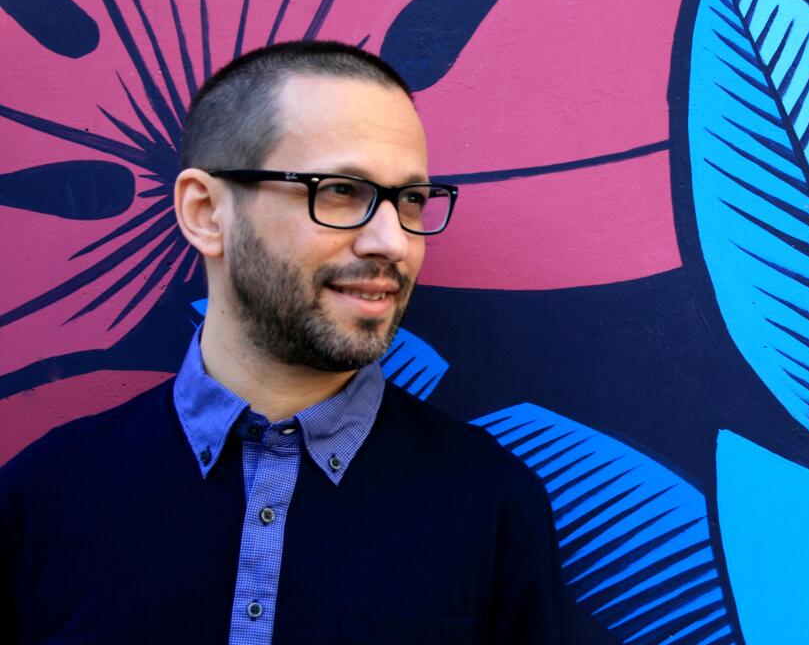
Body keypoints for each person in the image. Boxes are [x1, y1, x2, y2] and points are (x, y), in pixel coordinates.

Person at [0, 41, 565, 644]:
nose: (394, 242)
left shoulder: (491, 506)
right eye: (341, 191)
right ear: (206, 213)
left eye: (411, 200)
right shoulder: (45, 497)